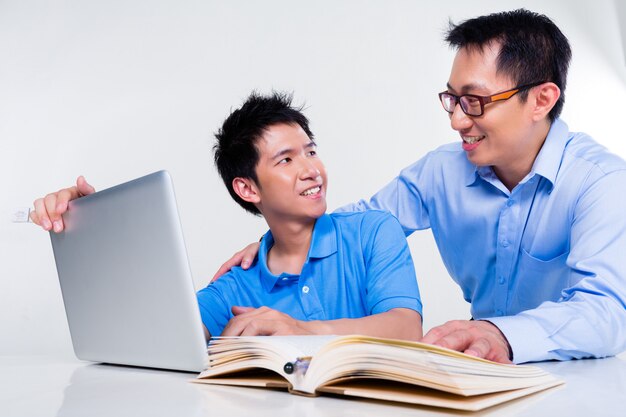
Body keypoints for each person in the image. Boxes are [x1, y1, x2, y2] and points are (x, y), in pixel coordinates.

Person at [215, 9, 626, 364]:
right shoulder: (442, 172)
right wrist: (281, 238)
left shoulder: (600, 183)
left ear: (541, 100)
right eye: (452, 99)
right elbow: (360, 223)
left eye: (475, 102)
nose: (457, 121)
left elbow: (605, 312)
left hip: (576, 379)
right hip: (482, 372)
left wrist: (502, 334)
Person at [31, 92, 423, 341]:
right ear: (248, 189)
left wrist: (300, 330)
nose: (310, 169)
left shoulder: (374, 231)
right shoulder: (234, 286)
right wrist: (91, 226)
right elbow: (156, 336)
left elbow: (405, 328)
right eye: (286, 159)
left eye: (310, 151)